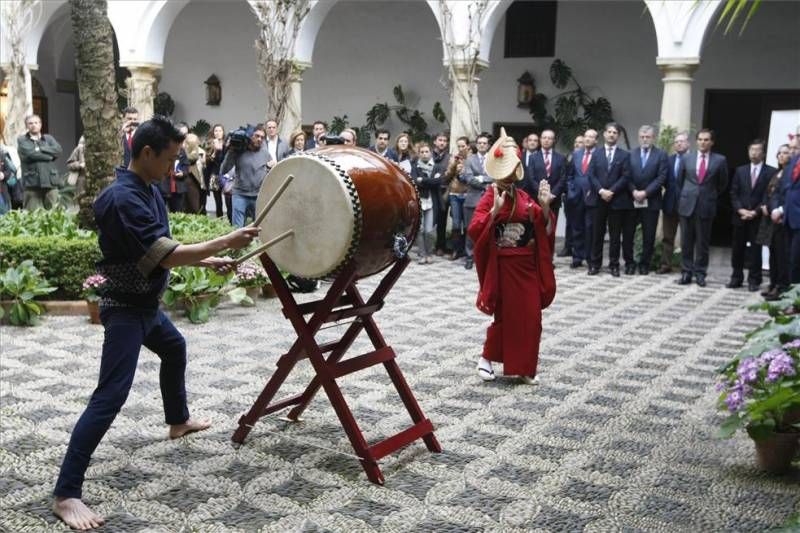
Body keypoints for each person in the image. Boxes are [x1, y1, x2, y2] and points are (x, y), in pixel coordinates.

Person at [51, 116, 260, 531]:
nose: (172, 167)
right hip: (126, 310)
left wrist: (206, 257)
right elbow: (163, 254)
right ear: (146, 153)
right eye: (168, 159)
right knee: (110, 396)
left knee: (174, 348)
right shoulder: (121, 198)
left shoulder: (145, 188)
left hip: (146, 306)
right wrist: (223, 242)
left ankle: (177, 421)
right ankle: (66, 493)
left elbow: (160, 248)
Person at [468, 127, 555, 384]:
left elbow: (544, 227)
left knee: (531, 317)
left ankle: (525, 367)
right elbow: (474, 230)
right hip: (504, 265)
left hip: (526, 265)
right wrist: (494, 213)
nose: (507, 179)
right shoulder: (489, 196)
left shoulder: (523, 196)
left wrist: (546, 204)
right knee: (505, 317)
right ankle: (486, 358)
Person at [677, 129, 729, 287]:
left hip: (706, 205)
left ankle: (700, 273)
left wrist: (708, 195)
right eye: (700, 139)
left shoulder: (720, 160)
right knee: (686, 241)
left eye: (706, 140)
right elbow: (680, 180)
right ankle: (686, 272)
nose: (702, 142)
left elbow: (722, 184)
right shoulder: (687, 158)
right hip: (687, 205)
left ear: (712, 142)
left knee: (702, 243)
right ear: (696, 141)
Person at [727, 139, 775, 291]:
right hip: (740, 216)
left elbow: (768, 196)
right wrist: (740, 209)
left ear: (763, 153)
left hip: (758, 217)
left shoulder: (770, 172)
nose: (754, 153)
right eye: (751, 150)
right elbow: (733, 192)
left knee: (756, 249)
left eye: (757, 150)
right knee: (737, 248)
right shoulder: (740, 170)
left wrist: (755, 211)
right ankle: (736, 277)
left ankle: (754, 279)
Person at [590, 122, 632, 277]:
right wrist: (601, 190)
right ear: (604, 134)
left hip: (617, 200)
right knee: (597, 233)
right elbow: (591, 175)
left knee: (615, 235)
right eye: (609, 132)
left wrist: (611, 191)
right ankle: (595, 264)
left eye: (615, 132)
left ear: (618, 136)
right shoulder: (596, 154)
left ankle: (614, 265)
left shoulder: (625, 155)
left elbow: (626, 176)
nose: (612, 134)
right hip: (599, 199)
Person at [628, 125, 668, 275]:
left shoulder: (661, 155)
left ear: (653, 138)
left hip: (651, 201)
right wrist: (634, 191)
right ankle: (630, 263)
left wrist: (645, 192)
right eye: (642, 137)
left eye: (648, 137)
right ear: (639, 137)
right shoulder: (631, 154)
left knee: (649, 235)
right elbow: (627, 175)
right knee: (629, 234)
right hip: (632, 200)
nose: (645, 139)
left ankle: (645, 264)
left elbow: (661, 177)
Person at [523, 129, 566, 257]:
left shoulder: (561, 158)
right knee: (535, 229)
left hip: (554, 200)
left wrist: (552, 194)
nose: (546, 140)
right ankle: (535, 256)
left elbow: (563, 178)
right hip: (537, 200)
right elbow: (531, 178)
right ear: (541, 140)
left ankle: (548, 257)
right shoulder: (533, 158)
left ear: (553, 141)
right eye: (544, 137)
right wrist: (543, 194)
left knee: (551, 230)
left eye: (550, 138)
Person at [220, 124, 269, 227]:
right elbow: (224, 170)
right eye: (257, 136)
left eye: (262, 137)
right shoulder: (238, 151)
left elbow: (269, 170)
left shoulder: (265, 153)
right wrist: (231, 151)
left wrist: (271, 166)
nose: (259, 139)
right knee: (237, 228)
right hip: (240, 195)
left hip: (258, 196)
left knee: (260, 228)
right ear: (250, 136)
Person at [761, 144, 792, 300]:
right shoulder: (776, 173)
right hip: (771, 218)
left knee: (781, 254)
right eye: (779, 153)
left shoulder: (790, 173)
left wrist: (779, 210)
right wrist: (766, 205)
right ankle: (773, 283)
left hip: (782, 219)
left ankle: (780, 285)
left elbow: (785, 196)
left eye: (785, 153)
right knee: (772, 251)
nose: (782, 155)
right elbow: (770, 193)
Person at [565, 129, 599, 269]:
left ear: (596, 140)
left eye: (591, 137)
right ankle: (577, 257)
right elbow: (569, 175)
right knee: (577, 227)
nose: (588, 139)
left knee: (590, 228)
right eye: (586, 136)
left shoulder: (600, 155)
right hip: (576, 197)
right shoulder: (576, 154)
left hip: (593, 196)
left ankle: (590, 258)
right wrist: (571, 190)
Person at [659, 131, 690, 274]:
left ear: (688, 143)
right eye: (676, 141)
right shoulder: (668, 160)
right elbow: (664, 180)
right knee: (667, 237)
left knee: (687, 238)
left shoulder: (693, 159)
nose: (678, 143)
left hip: (687, 205)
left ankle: (686, 267)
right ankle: (666, 265)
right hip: (669, 204)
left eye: (682, 141)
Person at [18, 114, 63, 210]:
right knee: (32, 216)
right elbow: (31, 154)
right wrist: (50, 156)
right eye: (30, 123)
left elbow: (58, 150)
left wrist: (41, 148)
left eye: (36, 122)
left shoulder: (48, 138)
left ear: (40, 124)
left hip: (50, 181)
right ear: (27, 126)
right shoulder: (22, 140)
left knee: (54, 214)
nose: (33, 125)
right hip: (32, 183)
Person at [461, 134, 493, 270]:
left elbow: (496, 177)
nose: (481, 145)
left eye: (484, 143)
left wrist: (481, 178)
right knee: (471, 229)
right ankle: (469, 257)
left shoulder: (494, 160)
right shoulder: (470, 159)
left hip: (490, 201)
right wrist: (486, 182)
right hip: (472, 199)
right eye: (479, 143)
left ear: (489, 145)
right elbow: (468, 178)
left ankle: (485, 256)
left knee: (488, 229)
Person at [772, 134, 800, 283]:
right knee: (790, 260)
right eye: (791, 148)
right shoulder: (791, 166)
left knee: (796, 261)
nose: (793, 151)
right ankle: (790, 297)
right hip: (789, 220)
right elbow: (786, 191)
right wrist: (780, 210)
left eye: (796, 148)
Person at [444, 136, 470, 261]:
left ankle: (465, 250)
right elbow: (447, 176)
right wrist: (454, 164)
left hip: (467, 194)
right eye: (458, 146)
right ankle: (455, 250)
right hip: (454, 194)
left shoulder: (472, 159)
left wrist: (464, 169)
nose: (460, 149)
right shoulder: (453, 158)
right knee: (455, 223)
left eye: (463, 146)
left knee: (466, 224)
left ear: (468, 146)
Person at [411, 143, 438, 263]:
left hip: (431, 202)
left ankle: (429, 253)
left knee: (429, 230)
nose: (424, 154)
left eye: (426, 151)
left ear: (430, 153)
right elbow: (415, 182)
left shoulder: (436, 167)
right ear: (419, 154)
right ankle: (422, 255)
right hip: (420, 202)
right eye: (422, 152)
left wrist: (424, 180)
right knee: (420, 229)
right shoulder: (415, 167)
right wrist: (430, 181)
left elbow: (438, 182)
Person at [430, 132, 451, 256]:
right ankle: (426, 245)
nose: (442, 142)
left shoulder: (450, 157)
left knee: (442, 221)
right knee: (427, 219)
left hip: (443, 191)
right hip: (429, 191)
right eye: (440, 140)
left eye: (444, 140)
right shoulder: (428, 154)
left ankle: (440, 246)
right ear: (435, 141)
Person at [204, 124, 228, 219]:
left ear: (223, 132)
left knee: (228, 199)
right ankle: (219, 219)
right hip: (215, 175)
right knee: (218, 201)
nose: (218, 133)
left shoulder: (227, 144)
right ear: (213, 133)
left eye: (220, 131)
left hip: (226, 174)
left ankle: (230, 219)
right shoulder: (210, 144)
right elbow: (207, 162)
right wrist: (214, 151)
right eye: (216, 131)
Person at [183, 132, 206, 214]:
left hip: (197, 181)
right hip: (188, 180)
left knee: (194, 207)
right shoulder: (182, 153)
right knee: (191, 207)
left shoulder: (200, 152)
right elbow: (192, 159)